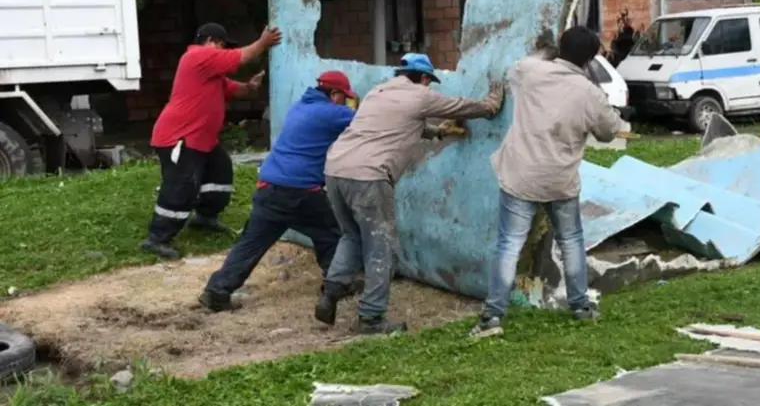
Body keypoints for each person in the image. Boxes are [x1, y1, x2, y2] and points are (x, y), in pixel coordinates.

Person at [313, 53, 505, 335]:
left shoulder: (378, 92)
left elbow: (396, 124)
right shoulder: (420, 95)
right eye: (429, 81)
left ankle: (330, 293)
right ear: (424, 78)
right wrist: (490, 104)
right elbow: (461, 106)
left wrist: (436, 132)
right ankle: (371, 317)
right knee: (381, 246)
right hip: (368, 176)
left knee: (351, 236)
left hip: (335, 169)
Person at [469, 26, 627, 338]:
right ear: (590, 59)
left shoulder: (530, 71)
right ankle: (580, 305)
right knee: (571, 241)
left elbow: (516, 68)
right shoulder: (590, 93)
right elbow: (610, 132)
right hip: (560, 179)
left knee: (509, 244)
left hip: (521, 175)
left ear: (559, 48)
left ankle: (492, 316)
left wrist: (547, 52)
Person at [198, 71, 361, 312]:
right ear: (334, 93)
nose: (343, 101)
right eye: (342, 97)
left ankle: (216, 291)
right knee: (331, 234)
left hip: (269, 187)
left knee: (251, 243)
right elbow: (366, 121)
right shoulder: (331, 113)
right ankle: (336, 284)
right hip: (301, 191)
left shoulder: (299, 106)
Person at [142, 23, 283, 260]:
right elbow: (239, 58)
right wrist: (263, 42)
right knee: (181, 187)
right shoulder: (198, 56)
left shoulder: (211, 73)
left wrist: (251, 86)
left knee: (220, 174)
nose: (223, 51)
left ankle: (205, 217)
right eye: (222, 45)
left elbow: (237, 90)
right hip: (180, 138)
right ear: (209, 41)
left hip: (201, 139)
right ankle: (157, 238)